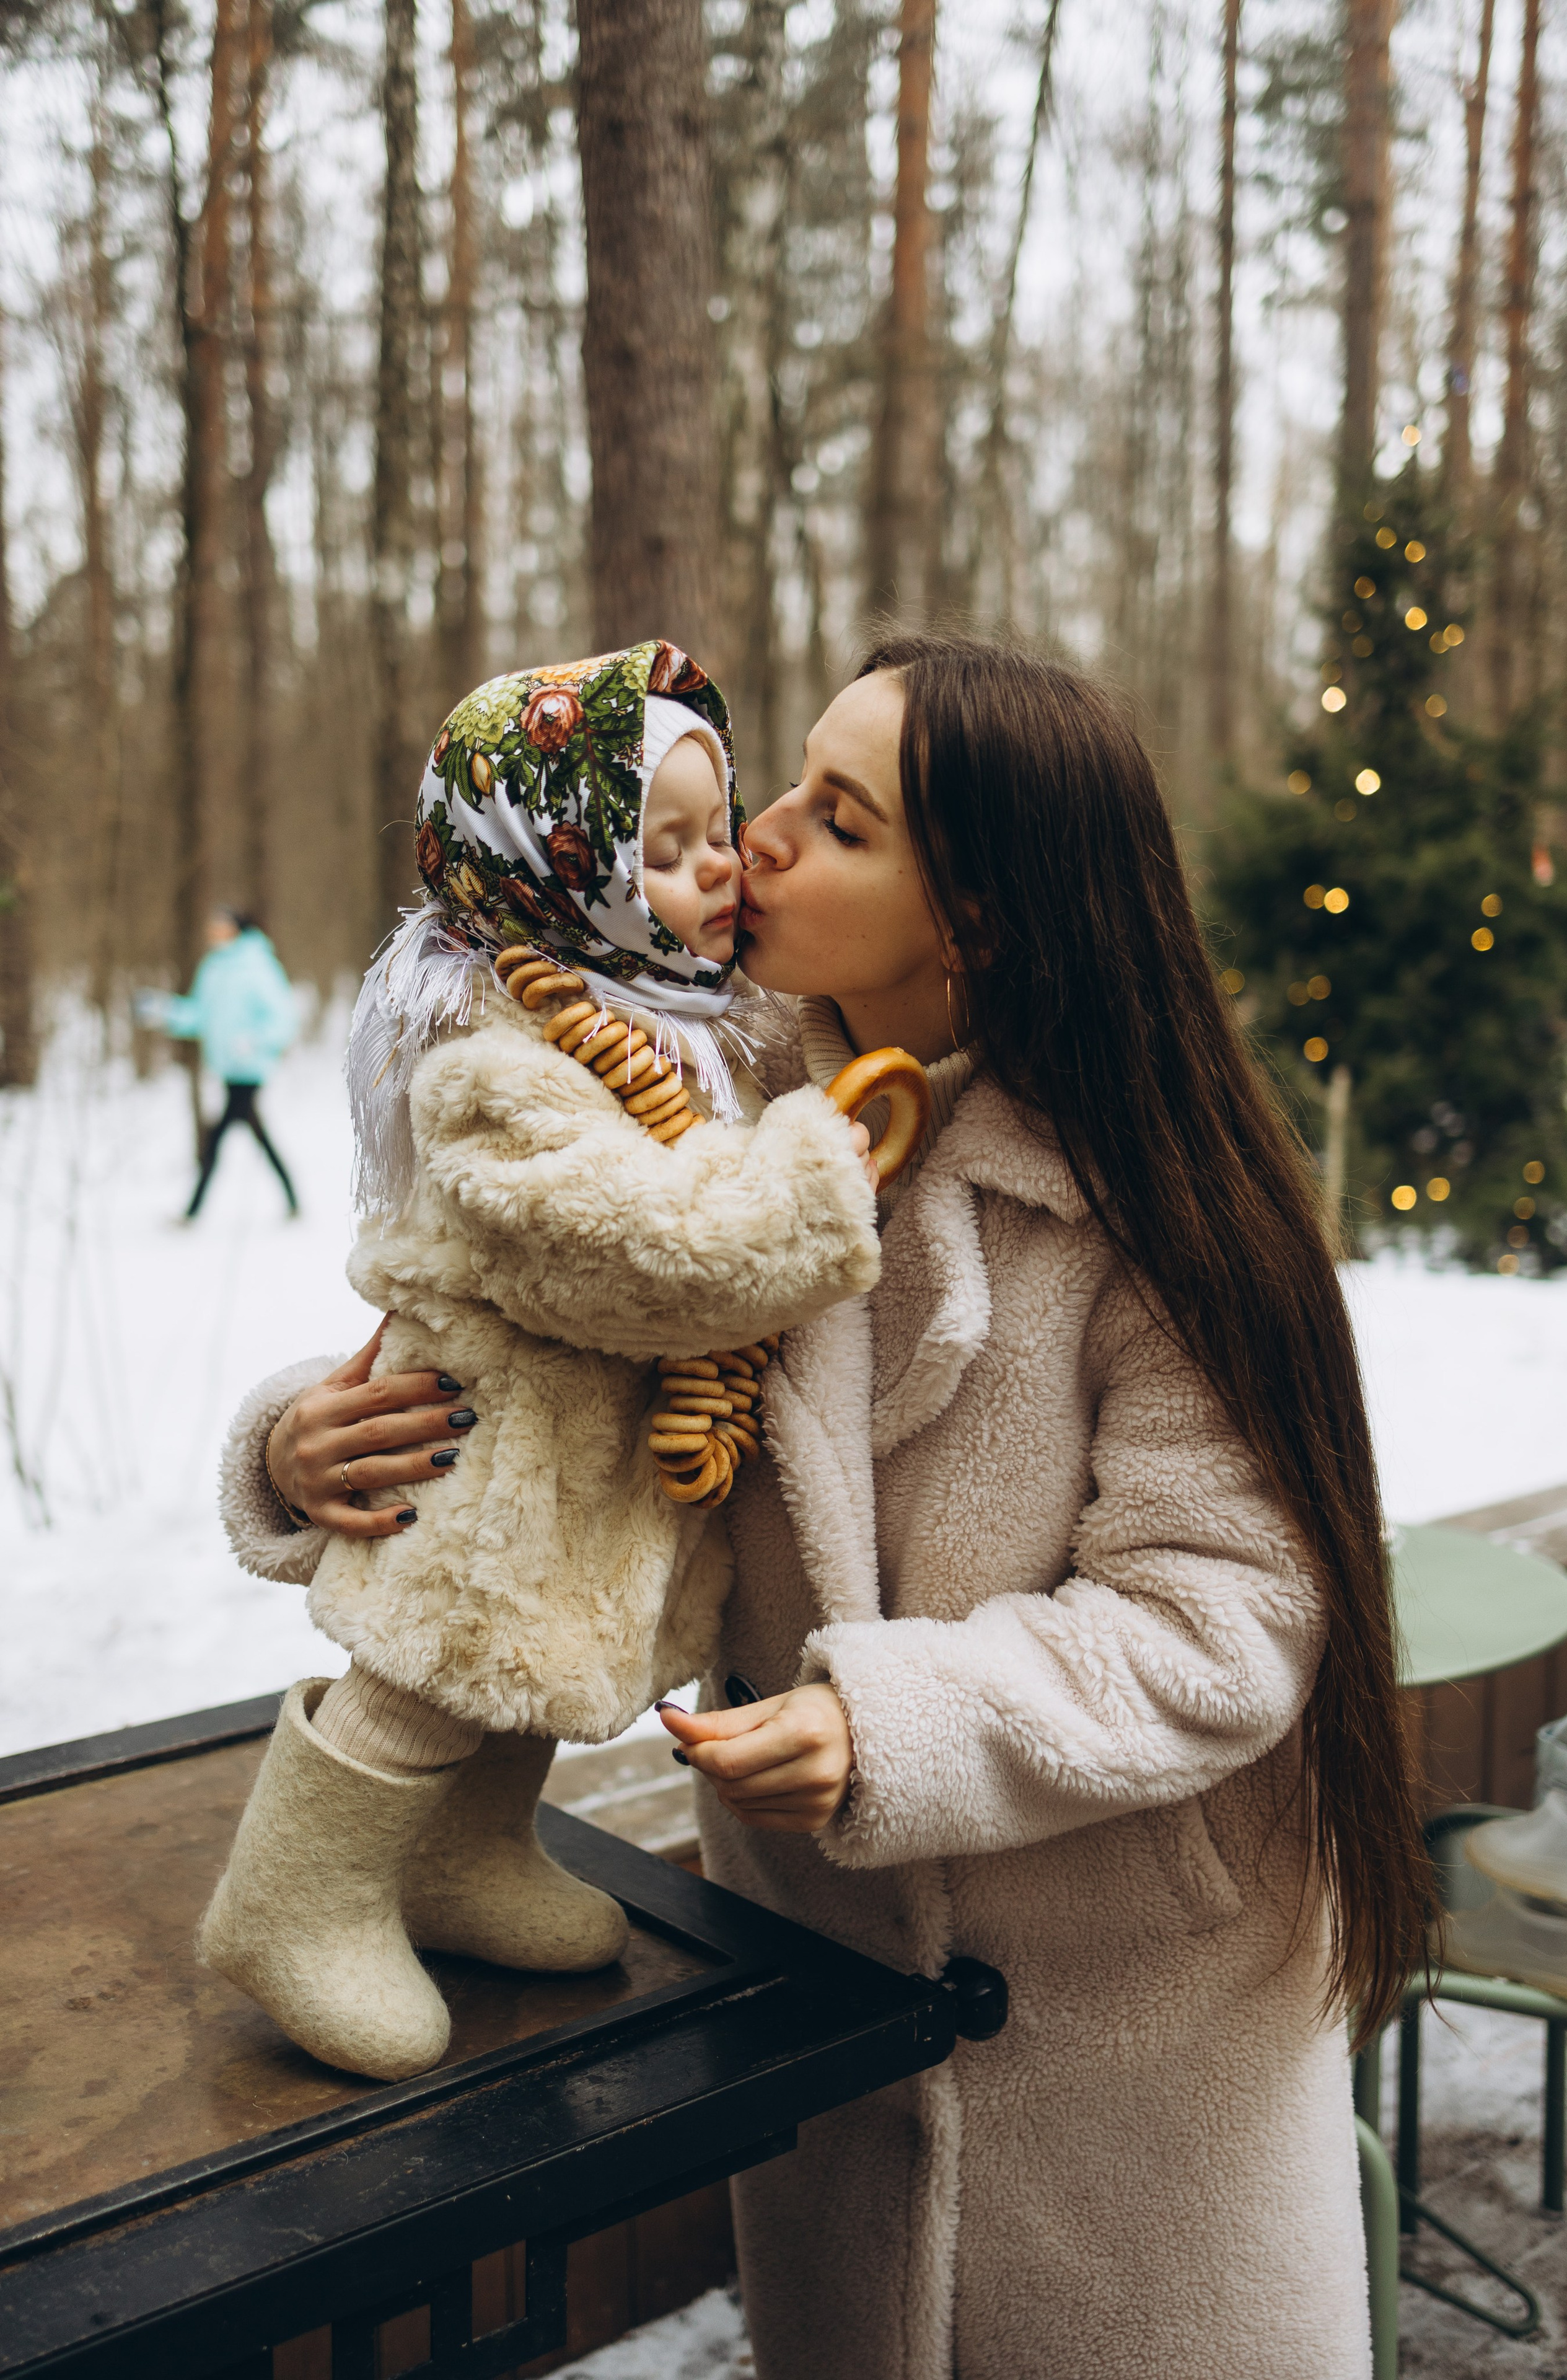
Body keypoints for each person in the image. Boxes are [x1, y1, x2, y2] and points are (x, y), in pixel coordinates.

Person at [221, 633, 1429, 2379]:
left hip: (1131, 2073)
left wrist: (893, 1726)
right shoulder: (702, 1092)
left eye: (839, 823)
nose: (762, 837)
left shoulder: (1160, 1213)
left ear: (982, 922)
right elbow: (509, 1339)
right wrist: (296, 1445)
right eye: (784, 786)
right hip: (839, 2021)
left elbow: (1220, 1616)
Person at [199, 641, 882, 2083]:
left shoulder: (697, 1026)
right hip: (476, 1457)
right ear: (558, 869)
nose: (719, 868)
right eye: (670, 845)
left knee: (517, 1664)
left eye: (718, 827)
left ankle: (462, 1854)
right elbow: (625, 1252)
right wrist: (810, 1174)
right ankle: (295, 1899)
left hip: (580, 1472)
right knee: (430, 1666)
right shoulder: (489, 1058)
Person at [138, 908, 300, 1219]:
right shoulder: (212, 968)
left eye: (221, 929)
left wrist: (253, 1040)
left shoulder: (259, 967)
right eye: (212, 929)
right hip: (227, 1069)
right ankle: (293, 1201)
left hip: (250, 1070)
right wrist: (162, 1010)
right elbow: (198, 1015)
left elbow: (283, 1019)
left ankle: (192, 1212)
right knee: (257, 1137)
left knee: (216, 1140)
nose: (215, 935)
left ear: (237, 930)